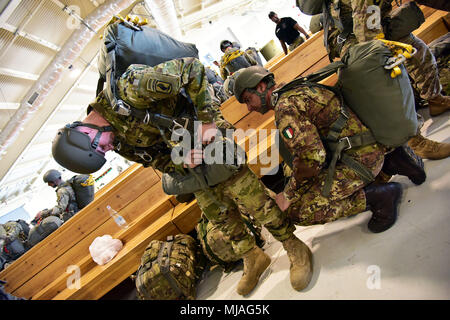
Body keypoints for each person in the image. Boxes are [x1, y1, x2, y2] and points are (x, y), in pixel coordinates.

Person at [52, 57, 314, 295]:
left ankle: (292, 245)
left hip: (204, 126)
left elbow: (193, 69)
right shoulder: (117, 139)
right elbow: (154, 159)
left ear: (86, 132)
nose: (108, 150)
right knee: (217, 211)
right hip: (187, 156)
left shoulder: (132, 88)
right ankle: (252, 256)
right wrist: (181, 160)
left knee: (250, 196)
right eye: (104, 151)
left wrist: (208, 121)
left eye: (102, 147)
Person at [232, 66, 426, 233]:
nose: (249, 108)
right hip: (369, 145)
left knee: (297, 210)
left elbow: (312, 158)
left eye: (248, 100)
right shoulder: (296, 87)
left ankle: (380, 197)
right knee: (303, 180)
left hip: (359, 161)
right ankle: (393, 161)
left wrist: (289, 194)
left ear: (261, 87)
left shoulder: (286, 108)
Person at [303, 0, 450, 160]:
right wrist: (383, 52)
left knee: (414, 47)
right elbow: (367, 36)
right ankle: (413, 140)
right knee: (384, 73)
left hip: (370, 24)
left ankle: (436, 99)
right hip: (353, 38)